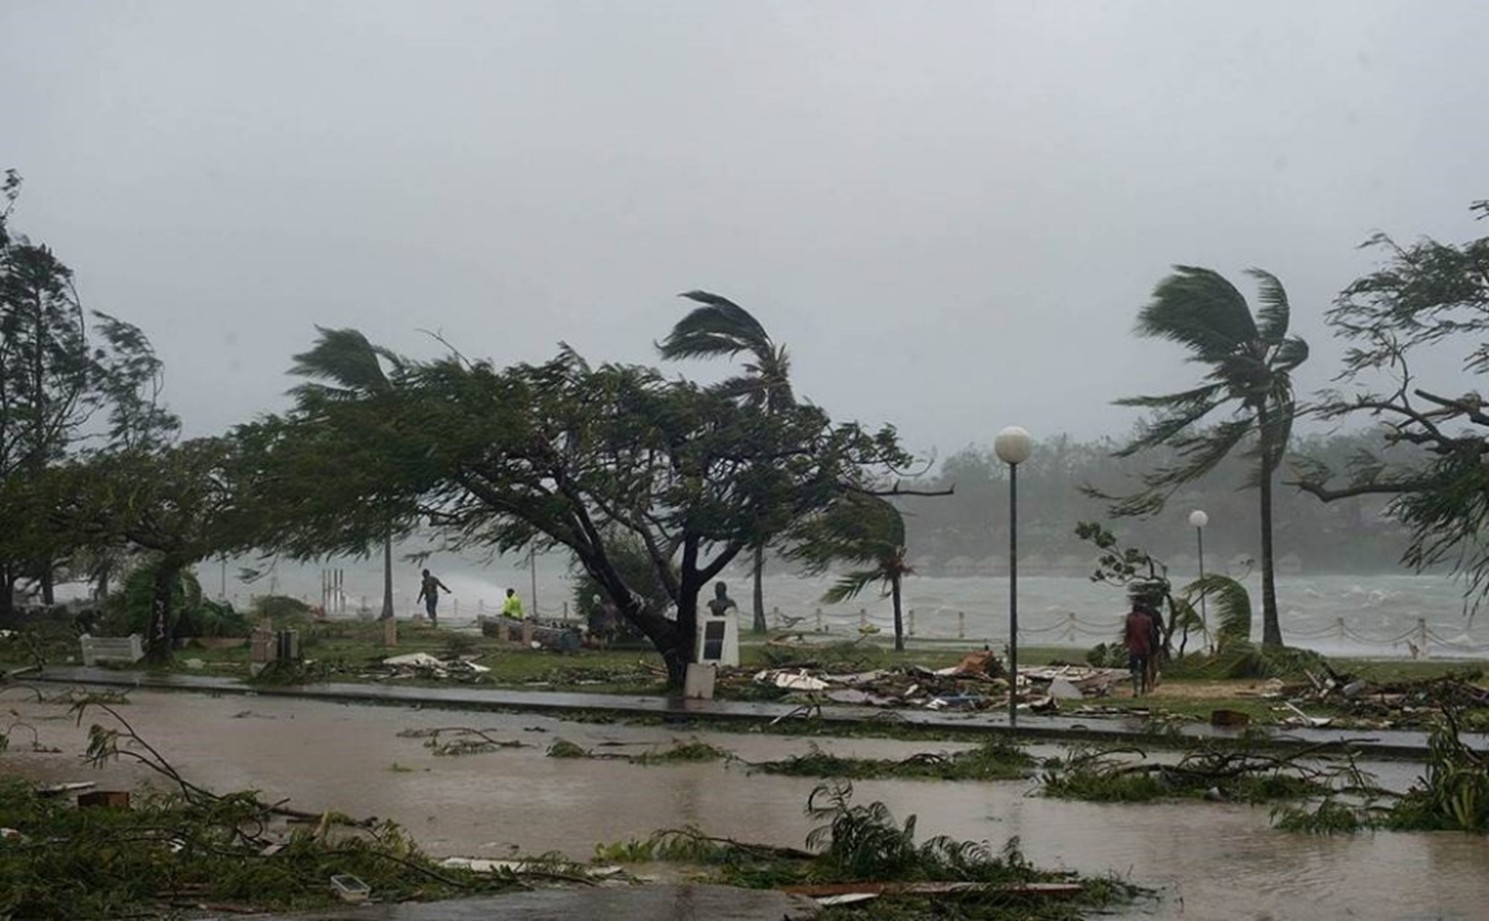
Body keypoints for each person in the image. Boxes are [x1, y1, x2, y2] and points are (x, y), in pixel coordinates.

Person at [1123, 602, 1155, 696]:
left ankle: (1135, 689)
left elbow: (1128, 633)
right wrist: (1152, 646)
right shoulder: (1148, 619)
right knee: (1144, 668)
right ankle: (1143, 689)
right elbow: (1151, 634)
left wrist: (1126, 644)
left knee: (1134, 669)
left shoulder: (1130, 618)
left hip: (1133, 647)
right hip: (1145, 647)